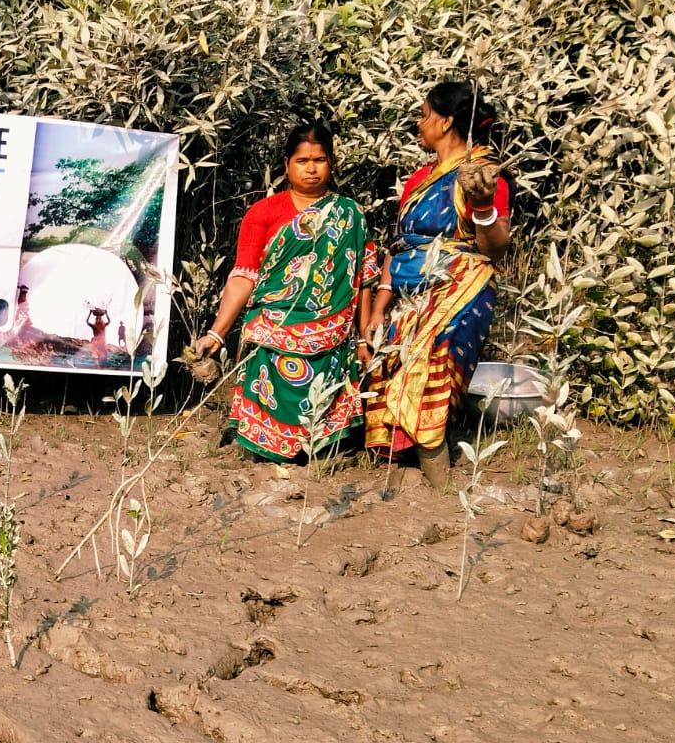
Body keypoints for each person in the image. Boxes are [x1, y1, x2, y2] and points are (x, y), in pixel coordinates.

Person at [192, 122, 380, 460]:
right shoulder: (264, 213)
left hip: (332, 330)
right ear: (286, 165)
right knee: (264, 338)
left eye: (319, 160)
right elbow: (243, 277)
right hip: (272, 326)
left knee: (325, 444)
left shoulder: (351, 214)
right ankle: (261, 447)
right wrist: (216, 335)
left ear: (331, 163)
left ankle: (322, 449)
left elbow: (362, 279)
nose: (311, 168)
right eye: (302, 160)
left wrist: (364, 339)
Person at [362, 81, 511, 485]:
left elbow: (494, 248)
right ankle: (415, 483)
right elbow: (398, 246)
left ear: (446, 122)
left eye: (424, 115)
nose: (419, 123)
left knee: (425, 373)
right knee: (391, 370)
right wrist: (379, 307)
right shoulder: (418, 181)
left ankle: (439, 482)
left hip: (460, 287)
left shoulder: (482, 173)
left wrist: (481, 206)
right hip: (411, 290)